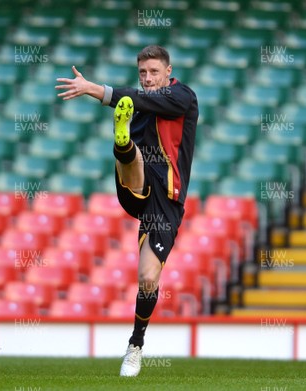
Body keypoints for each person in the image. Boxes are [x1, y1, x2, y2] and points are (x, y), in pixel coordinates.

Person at [55, 45, 198, 376]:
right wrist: (118, 103)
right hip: (133, 185)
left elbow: (141, 99)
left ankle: (135, 346)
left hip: (165, 204)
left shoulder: (183, 97)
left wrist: (93, 88)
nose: (147, 78)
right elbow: (135, 99)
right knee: (131, 153)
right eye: (142, 73)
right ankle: (122, 142)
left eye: (153, 72)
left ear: (168, 71)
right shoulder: (138, 104)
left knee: (148, 278)